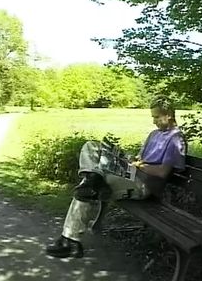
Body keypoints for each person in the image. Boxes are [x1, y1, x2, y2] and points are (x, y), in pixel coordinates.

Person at [46, 95, 187, 258]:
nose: (154, 121)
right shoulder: (154, 134)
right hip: (132, 176)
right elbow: (140, 159)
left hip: (145, 185)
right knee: (90, 146)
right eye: (153, 117)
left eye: (156, 117)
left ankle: (70, 241)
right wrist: (126, 159)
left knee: (89, 187)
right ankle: (93, 179)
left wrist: (138, 166)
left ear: (168, 115)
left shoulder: (176, 139)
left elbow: (162, 172)